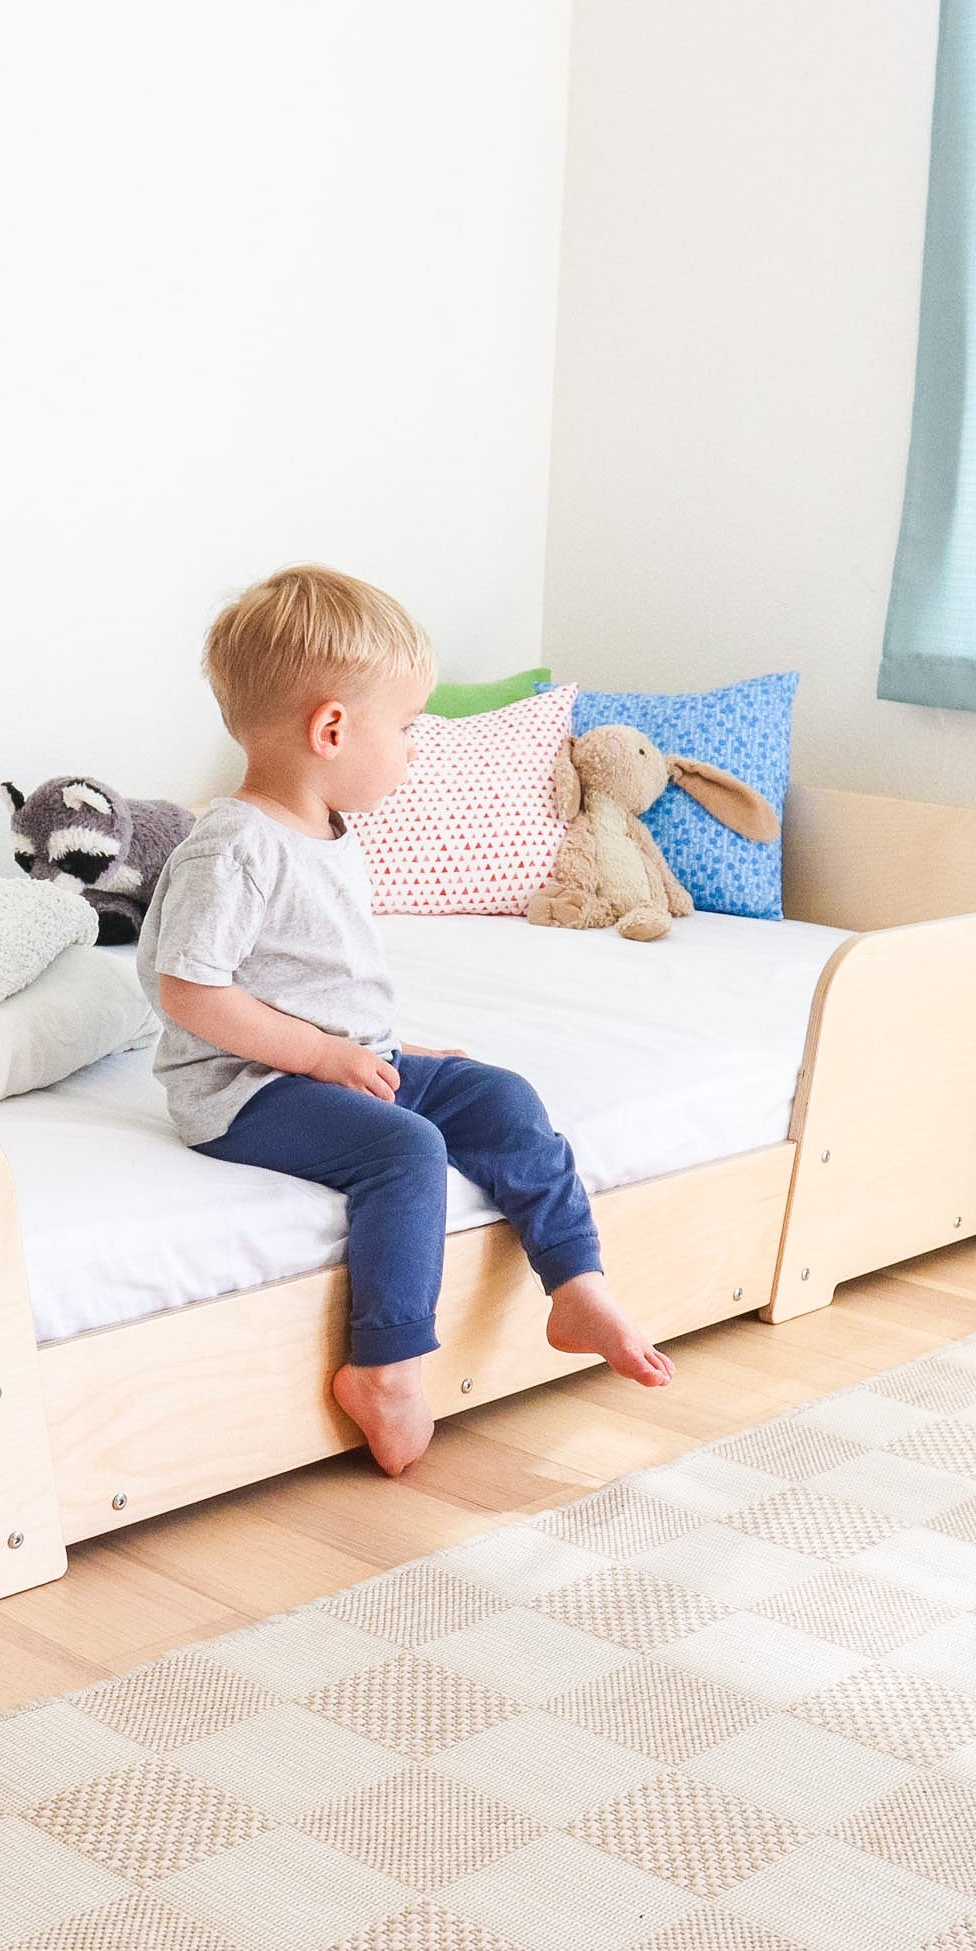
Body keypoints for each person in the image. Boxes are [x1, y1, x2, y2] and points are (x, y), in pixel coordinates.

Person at [138, 565, 673, 1476]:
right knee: (406, 1150)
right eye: (409, 729)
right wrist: (319, 1054)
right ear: (333, 729)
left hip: (342, 1060)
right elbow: (188, 991)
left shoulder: (329, 829)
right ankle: (382, 1367)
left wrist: (377, 1047)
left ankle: (577, 1285)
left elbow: (322, 980)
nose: (415, 749)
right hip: (246, 1088)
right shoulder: (234, 846)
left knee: (499, 1097)